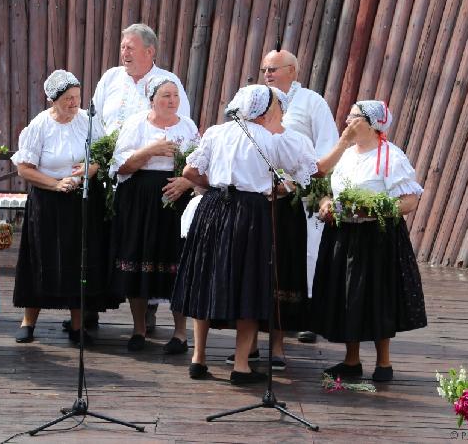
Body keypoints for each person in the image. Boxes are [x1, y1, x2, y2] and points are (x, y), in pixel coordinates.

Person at [171, 84, 323, 385]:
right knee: (249, 283)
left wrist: (214, 182)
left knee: (207, 278)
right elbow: (309, 170)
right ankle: (241, 366)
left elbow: (189, 171)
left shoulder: (216, 133)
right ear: (264, 111)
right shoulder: (269, 140)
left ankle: (198, 359)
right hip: (250, 213)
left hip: (214, 207)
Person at [312, 100, 427, 382]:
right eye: (348, 116)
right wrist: (326, 203)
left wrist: (372, 209)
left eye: (355, 117)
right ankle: (351, 361)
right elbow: (324, 186)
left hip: (376, 237)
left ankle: (383, 363)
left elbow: (409, 201)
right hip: (343, 233)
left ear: (372, 124)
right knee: (347, 296)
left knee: (378, 296)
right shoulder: (347, 154)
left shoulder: (390, 156)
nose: (348, 121)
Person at [12, 70, 117, 344]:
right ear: (53, 100)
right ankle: (28, 321)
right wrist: (55, 184)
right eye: (68, 99)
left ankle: (77, 325)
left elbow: (99, 158)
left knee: (80, 260)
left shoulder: (87, 121)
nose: (74, 103)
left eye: (77, 97)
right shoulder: (39, 126)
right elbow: (24, 169)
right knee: (40, 258)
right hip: (47, 200)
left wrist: (88, 170)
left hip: (82, 198)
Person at [108, 75, 198, 353]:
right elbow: (120, 166)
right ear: (152, 100)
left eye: (175, 96)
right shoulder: (136, 124)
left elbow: (201, 163)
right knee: (139, 257)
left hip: (176, 197)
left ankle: (181, 333)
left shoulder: (187, 127)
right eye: (165, 96)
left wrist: (187, 182)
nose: (172, 101)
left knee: (175, 261)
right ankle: (139, 329)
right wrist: (149, 151)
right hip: (140, 199)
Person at [262, 49, 338, 346]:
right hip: (267, 195)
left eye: (274, 69)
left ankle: (308, 316)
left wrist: (308, 182)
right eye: (265, 69)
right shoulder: (259, 99)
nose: (268, 74)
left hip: (304, 193)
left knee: (309, 254)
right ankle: (274, 315)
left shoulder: (311, 102)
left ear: (292, 70)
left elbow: (327, 146)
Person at [92, 23, 190, 134]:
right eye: (122, 47)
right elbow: (93, 119)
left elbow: (181, 126)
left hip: (152, 150)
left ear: (149, 52)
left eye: (130, 48)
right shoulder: (111, 77)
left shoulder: (168, 82)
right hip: (106, 150)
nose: (124, 53)